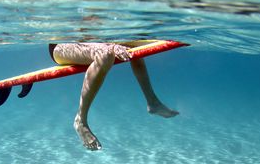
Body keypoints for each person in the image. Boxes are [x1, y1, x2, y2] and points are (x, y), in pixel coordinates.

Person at [51, 42, 179, 150]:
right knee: (105, 53)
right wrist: (112, 45)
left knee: (134, 48)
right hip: (61, 46)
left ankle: (153, 102)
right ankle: (80, 120)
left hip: (96, 42)